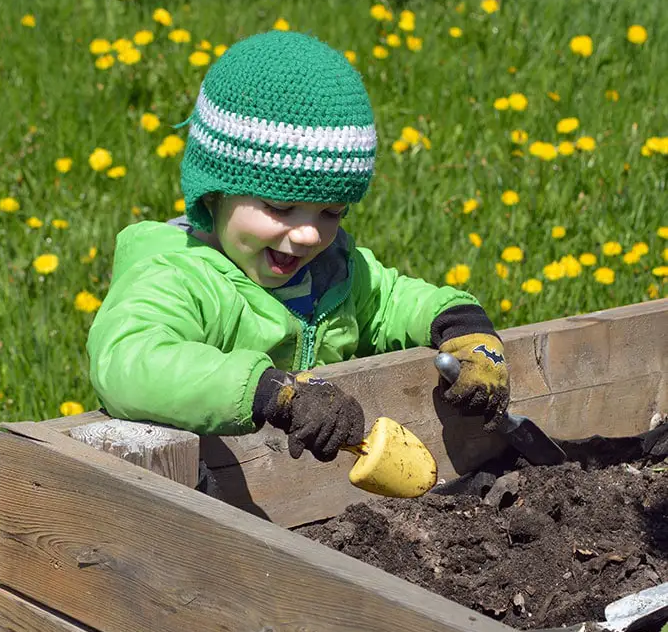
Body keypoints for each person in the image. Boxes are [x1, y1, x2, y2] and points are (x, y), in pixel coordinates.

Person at [87, 30, 510, 463]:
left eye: (332, 213)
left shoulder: (333, 270)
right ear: (214, 193)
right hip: (190, 494)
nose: (309, 235)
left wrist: (459, 322)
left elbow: (390, 301)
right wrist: (271, 392)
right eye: (281, 206)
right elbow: (129, 360)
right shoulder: (179, 275)